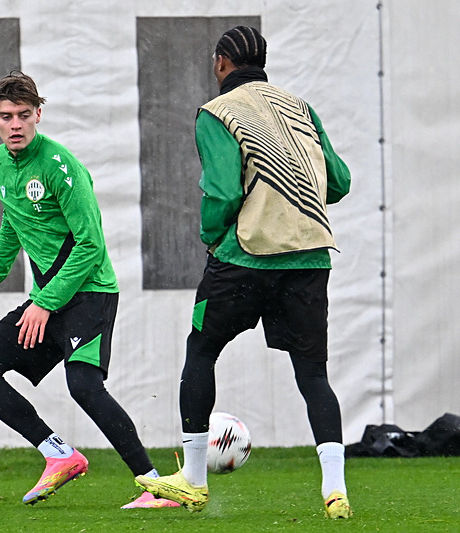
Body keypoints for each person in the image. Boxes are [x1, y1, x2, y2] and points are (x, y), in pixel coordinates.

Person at [136, 26, 353, 519]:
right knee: (313, 374)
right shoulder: (300, 107)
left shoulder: (218, 112)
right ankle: (335, 491)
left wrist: (212, 236)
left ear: (221, 63)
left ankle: (194, 479)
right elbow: (338, 180)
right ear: (263, 62)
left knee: (201, 350)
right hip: (310, 259)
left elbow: (223, 192)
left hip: (244, 259)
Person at [0, 71, 178, 510]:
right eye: (7, 116)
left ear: (38, 114)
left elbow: (90, 245)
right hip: (51, 298)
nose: (16, 124)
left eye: (24, 115)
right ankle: (59, 454)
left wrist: (43, 302)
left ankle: (157, 488)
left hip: (91, 292)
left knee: (84, 386)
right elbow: (12, 225)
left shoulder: (61, 166)